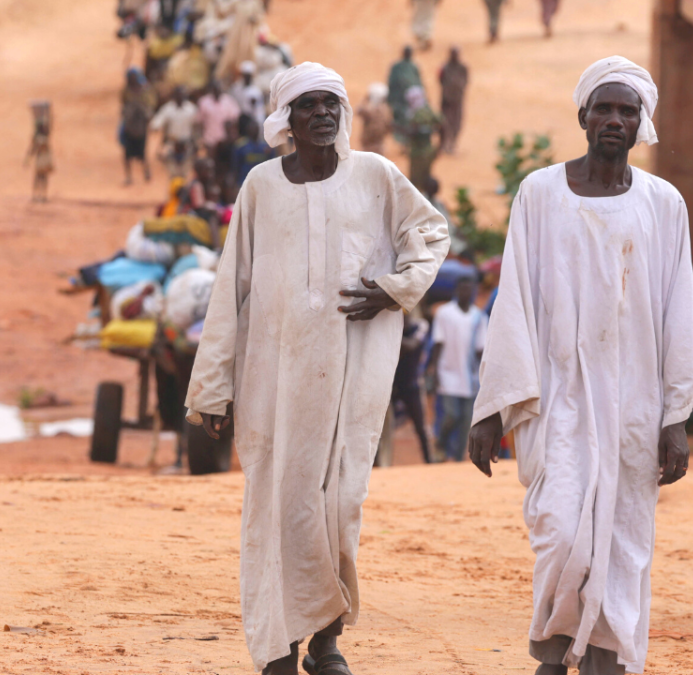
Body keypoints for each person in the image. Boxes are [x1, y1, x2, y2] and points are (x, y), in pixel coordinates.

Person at [183, 62, 449, 675]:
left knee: (338, 503)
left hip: (352, 377)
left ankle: (326, 640)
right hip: (273, 377)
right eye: (309, 106)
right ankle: (279, 641)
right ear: (287, 120)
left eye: (333, 102)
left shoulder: (376, 176)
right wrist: (212, 390)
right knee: (279, 502)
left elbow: (430, 232)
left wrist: (395, 289)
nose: (324, 114)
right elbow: (231, 288)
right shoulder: (259, 186)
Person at [466, 56, 693, 675]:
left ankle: (605, 661)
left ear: (642, 122)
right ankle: (553, 650)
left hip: (635, 403)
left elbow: (678, 309)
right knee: (557, 530)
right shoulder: (540, 193)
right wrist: (493, 410)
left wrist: (675, 416)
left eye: (627, 110)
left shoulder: (665, 203)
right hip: (557, 396)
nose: (613, 119)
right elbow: (514, 300)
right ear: (581, 115)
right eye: (602, 107)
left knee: (625, 543)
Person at [428, 276, 487, 462]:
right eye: (462, 289)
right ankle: (441, 443)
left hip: (470, 377)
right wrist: (434, 371)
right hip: (448, 373)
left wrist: (486, 375)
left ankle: (459, 459)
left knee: (466, 422)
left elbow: (480, 350)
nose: (466, 293)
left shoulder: (479, 317)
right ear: (456, 290)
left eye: (469, 289)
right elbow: (437, 343)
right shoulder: (444, 313)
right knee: (451, 415)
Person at [393, 310, 433, 463]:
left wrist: (390, 336)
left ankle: (430, 462)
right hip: (393, 386)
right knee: (383, 426)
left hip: (413, 385)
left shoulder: (420, 326)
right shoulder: (395, 328)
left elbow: (412, 345)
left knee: (421, 427)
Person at [402, 86, 443, 195]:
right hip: (429, 150)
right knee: (426, 178)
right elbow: (442, 124)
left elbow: (414, 132)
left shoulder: (417, 113)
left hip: (418, 153)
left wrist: (401, 130)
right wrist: (441, 146)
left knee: (416, 182)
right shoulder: (428, 110)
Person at [120, 67, 157, 185]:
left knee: (143, 152)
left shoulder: (145, 89)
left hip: (141, 126)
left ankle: (146, 172)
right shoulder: (126, 90)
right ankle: (129, 177)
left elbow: (151, 104)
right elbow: (124, 104)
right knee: (127, 154)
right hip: (129, 125)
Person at [150, 86, 199, 170]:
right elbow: (157, 121)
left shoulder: (191, 109)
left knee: (186, 168)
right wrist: (155, 127)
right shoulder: (168, 108)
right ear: (174, 96)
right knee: (171, 169)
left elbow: (198, 123)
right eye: (178, 95)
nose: (180, 97)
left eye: (182, 95)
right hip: (172, 143)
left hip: (186, 143)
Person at [196, 80, 242, 161]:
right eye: (215, 89)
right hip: (209, 140)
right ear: (211, 90)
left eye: (219, 88)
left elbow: (235, 120)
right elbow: (199, 121)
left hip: (225, 141)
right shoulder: (204, 102)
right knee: (210, 162)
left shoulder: (229, 101)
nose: (217, 90)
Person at [387, 46, 422, 143]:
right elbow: (391, 82)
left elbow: (418, 83)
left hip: (411, 101)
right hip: (398, 99)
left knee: (410, 120)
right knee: (398, 119)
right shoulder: (396, 67)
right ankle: (400, 141)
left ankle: (407, 143)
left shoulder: (414, 67)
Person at [438, 47, 468, 155]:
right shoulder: (445, 67)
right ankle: (444, 143)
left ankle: (452, 143)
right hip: (446, 100)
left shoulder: (463, 68)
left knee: (456, 122)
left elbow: (465, 81)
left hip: (458, 100)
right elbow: (440, 80)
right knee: (444, 122)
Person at [231, 118, 274, 186]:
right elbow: (235, 166)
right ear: (248, 130)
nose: (254, 130)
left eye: (256, 128)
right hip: (244, 181)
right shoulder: (241, 146)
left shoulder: (266, 147)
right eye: (252, 128)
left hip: (261, 181)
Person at [25, 113, 53, 203]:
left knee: (43, 177)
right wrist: (27, 159)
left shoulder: (44, 136)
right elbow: (32, 149)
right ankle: (36, 195)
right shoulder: (39, 137)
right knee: (39, 177)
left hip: (44, 158)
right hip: (42, 157)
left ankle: (42, 195)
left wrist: (49, 116)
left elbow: (32, 149)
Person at [356, 83, 391, 155]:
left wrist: (366, 99)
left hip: (369, 144)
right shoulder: (386, 109)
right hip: (379, 144)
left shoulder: (370, 110)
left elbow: (358, 110)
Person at [231, 60, 266, 124]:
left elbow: (259, 112)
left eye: (248, 75)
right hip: (238, 119)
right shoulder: (236, 88)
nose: (247, 77)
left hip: (251, 121)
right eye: (245, 75)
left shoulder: (256, 91)